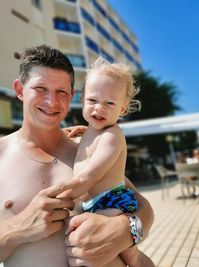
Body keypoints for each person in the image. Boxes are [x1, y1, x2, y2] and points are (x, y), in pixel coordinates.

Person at [0, 45, 154, 267]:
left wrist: (125, 230)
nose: (51, 102)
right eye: (40, 88)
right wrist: (17, 228)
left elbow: (143, 207)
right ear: (20, 89)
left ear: (73, 96)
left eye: (61, 92)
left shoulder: (88, 147)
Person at [64, 57, 154, 267]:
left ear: (122, 109)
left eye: (109, 103)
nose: (99, 109)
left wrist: (63, 195)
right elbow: (95, 134)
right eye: (92, 101)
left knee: (129, 255)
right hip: (95, 203)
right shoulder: (92, 130)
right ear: (82, 98)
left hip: (112, 201)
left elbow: (90, 175)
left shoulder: (113, 136)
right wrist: (84, 129)